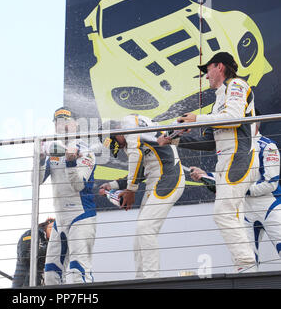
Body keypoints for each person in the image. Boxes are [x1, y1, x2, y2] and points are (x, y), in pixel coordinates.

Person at [157, 51, 259, 272]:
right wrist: (176, 139)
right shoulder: (218, 100)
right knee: (233, 216)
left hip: (239, 158)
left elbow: (233, 118)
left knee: (223, 214)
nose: (206, 76)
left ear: (219, 66)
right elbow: (209, 143)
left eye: (207, 70)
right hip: (226, 161)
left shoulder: (237, 85)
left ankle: (247, 266)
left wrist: (196, 119)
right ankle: (245, 269)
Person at [99, 114, 185, 278]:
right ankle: (140, 280)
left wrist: (131, 190)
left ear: (117, 130)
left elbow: (136, 157)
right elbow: (139, 169)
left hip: (168, 176)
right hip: (155, 179)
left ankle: (152, 280)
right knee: (140, 235)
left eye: (117, 142)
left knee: (145, 227)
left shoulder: (128, 123)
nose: (121, 146)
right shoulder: (132, 137)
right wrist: (113, 186)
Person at [189, 122, 281, 268]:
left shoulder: (267, 146)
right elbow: (229, 178)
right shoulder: (231, 147)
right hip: (244, 207)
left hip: (271, 205)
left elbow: (271, 183)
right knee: (244, 260)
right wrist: (206, 175)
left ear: (255, 124)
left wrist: (239, 189)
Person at [40, 107, 96, 285]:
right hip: (60, 220)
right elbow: (36, 181)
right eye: (57, 121)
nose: (61, 125)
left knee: (79, 271)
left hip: (81, 217)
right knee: (50, 275)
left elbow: (78, 185)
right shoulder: (52, 150)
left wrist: (71, 162)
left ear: (76, 124)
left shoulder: (86, 150)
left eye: (66, 121)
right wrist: (40, 159)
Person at [12, 218, 55, 287]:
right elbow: (25, 256)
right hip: (24, 283)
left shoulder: (47, 242)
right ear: (47, 223)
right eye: (53, 226)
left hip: (37, 283)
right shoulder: (32, 234)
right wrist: (49, 247)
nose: (54, 230)